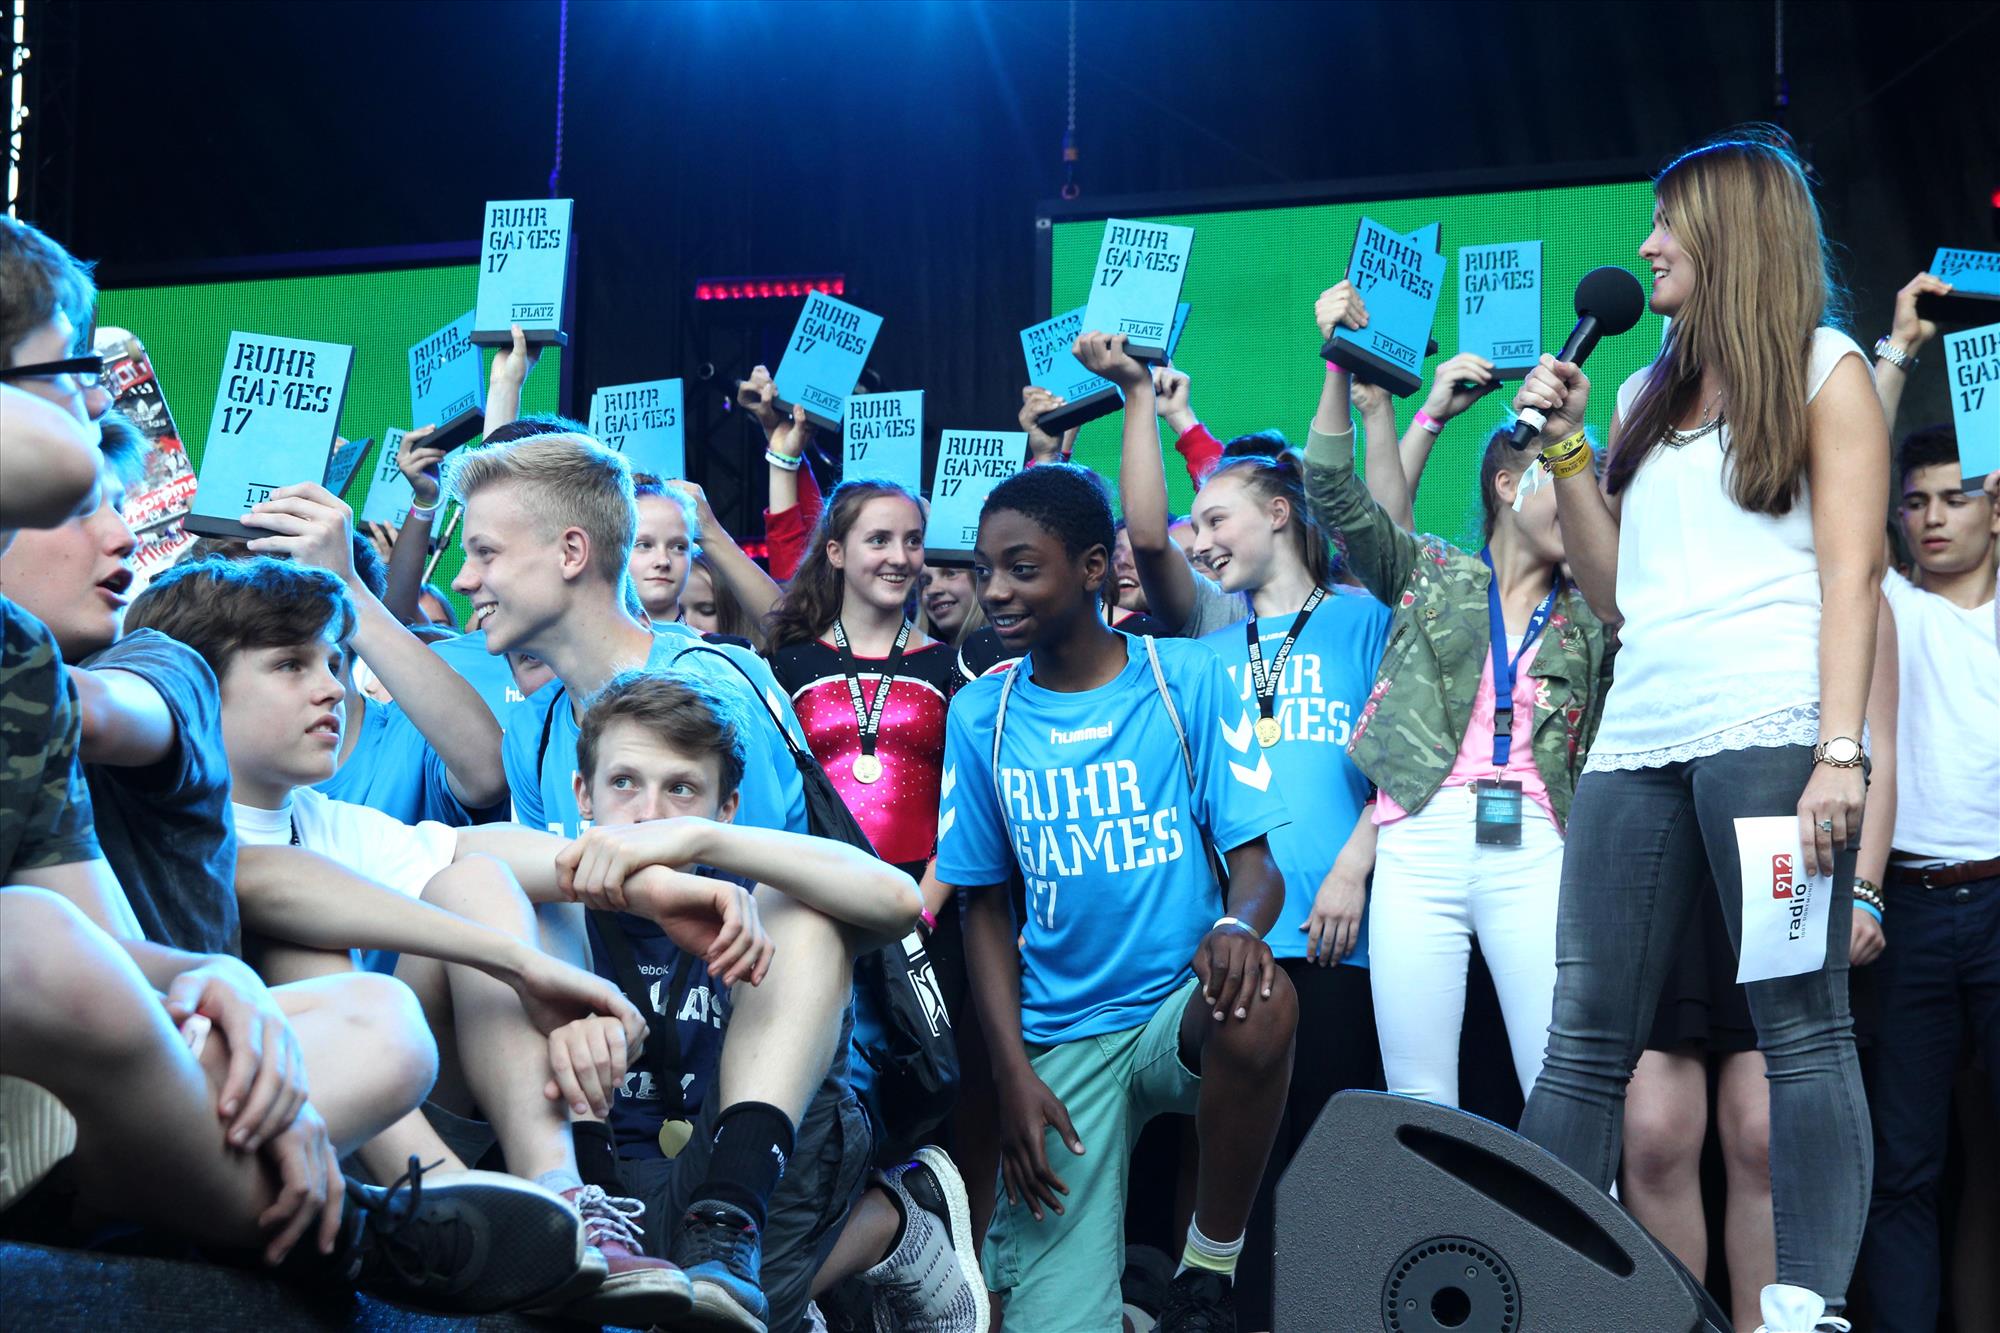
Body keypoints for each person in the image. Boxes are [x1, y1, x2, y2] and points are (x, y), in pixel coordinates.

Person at [0, 212, 584, 1316]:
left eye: (335, 663)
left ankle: (196, 1190)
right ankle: (350, 1233)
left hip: (81, 1090)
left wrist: (211, 980)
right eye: (64, 371)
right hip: (54, 1046)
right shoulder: (133, 673)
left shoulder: (34, 665)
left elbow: (102, 943)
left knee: (379, 1021)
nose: (118, 529)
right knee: (32, 942)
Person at [1510, 129, 1886, 1333]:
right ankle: (1533, 1292)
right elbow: (1616, 595)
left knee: (1799, 1032)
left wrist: (1839, 752)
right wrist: (1567, 448)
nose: (1643, 245)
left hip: (1770, 736)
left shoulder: (1824, 367)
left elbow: (1852, 573)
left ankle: (1807, 1310)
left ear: (1728, 231)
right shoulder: (1638, 393)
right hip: (1635, 743)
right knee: (1582, 1040)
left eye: (1665, 221)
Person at [124, 552, 693, 1324]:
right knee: (311, 948)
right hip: (214, 1130)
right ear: (194, 688)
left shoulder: (316, 816)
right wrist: (520, 965)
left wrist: (657, 881)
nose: (332, 687)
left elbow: (474, 853)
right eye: (291, 665)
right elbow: (258, 881)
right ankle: (452, 1208)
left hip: (358, 1110)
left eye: (333, 661)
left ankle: (560, 1193)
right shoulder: (154, 812)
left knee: (483, 878)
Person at [936, 461, 1298, 1333]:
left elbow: (1258, 867)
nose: (996, 590)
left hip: (1179, 1009)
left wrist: (1235, 924)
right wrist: (1013, 1076)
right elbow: (982, 908)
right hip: (1059, 1040)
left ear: (1093, 567)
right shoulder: (981, 714)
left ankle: (1207, 1270)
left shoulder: (1186, 678)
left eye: (1023, 567)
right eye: (985, 570)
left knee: (1262, 998)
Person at [1098, 327, 1392, 1330]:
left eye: (1216, 518)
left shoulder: (1364, 620)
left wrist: (1355, 864)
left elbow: (1412, 760)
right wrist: (1139, 397)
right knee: (1225, 1169)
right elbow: (1147, 540)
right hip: (1229, 944)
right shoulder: (1203, 640)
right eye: (1195, 526)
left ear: (1278, 511)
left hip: (1344, 939)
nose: (1199, 539)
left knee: (1330, 1161)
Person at [1282, 286, 1614, 1112]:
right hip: (1418, 843)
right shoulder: (1432, 572)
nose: (1589, 504)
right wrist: (1339, 361)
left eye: (1599, 492)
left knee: (1562, 1088)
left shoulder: (1598, 614)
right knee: (1419, 1096)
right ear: (1507, 483)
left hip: (1538, 844)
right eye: (1567, 481)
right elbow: (1334, 491)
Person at [1856, 424, 1999, 1332]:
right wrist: (1897, 356)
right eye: (1915, 501)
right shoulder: (1890, 604)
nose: (1933, 517)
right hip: (1906, 902)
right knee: (1903, 1165)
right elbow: (1848, 496)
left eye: (1956, 496)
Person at [630, 474, 698, 626]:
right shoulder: (581, 641)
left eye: (679, 547)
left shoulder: (722, 644)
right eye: (644, 545)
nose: (663, 561)